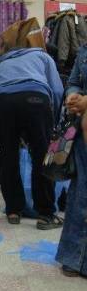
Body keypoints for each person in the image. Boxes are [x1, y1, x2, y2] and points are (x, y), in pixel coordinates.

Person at [0, 18, 63, 228]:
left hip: (3, 102)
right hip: (35, 100)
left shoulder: (2, 61)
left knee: (9, 155)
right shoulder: (42, 56)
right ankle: (45, 214)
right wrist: (55, 118)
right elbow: (57, 90)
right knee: (42, 156)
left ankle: (13, 210)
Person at [56, 44, 87, 277]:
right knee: (80, 190)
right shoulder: (84, 48)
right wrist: (72, 96)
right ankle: (74, 257)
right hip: (83, 128)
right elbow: (75, 79)